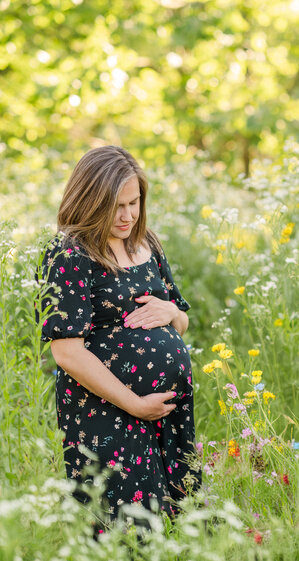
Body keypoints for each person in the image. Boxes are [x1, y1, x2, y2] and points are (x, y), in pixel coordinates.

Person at [37, 145, 201, 534]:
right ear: (90, 200)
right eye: (116, 206)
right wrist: (135, 404)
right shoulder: (67, 255)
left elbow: (181, 320)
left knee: (179, 516)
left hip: (165, 412)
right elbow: (66, 352)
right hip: (107, 411)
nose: (127, 215)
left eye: (135, 202)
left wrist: (173, 314)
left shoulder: (147, 244)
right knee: (124, 529)